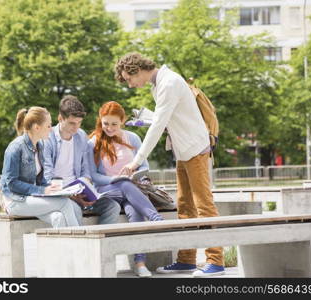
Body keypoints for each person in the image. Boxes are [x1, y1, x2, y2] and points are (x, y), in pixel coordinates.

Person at [114, 52, 225, 277]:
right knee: (184, 205)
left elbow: (158, 127)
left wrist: (136, 161)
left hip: (195, 150)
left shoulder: (169, 83)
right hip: (183, 151)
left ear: (137, 70)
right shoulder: (159, 85)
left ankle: (216, 261)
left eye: (128, 78)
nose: (130, 84)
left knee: (203, 204)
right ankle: (187, 260)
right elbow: (167, 119)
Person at [88, 101, 163, 278]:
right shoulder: (94, 143)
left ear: (122, 120)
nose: (109, 128)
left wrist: (134, 173)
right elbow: (93, 176)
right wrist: (116, 179)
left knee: (135, 212)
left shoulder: (132, 138)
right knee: (123, 184)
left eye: (114, 123)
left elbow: (144, 166)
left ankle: (140, 263)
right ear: (101, 119)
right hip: (107, 190)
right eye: (106, 123)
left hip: (131, 191)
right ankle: (156, 219)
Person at [43, 95, 121, 225]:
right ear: (60, 118)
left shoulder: (81, 136)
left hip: (78, 192)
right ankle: (80, 245)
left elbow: (86, 170)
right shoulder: (48, 138)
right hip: (59, 194)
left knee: (113, 207)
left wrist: (84, 189)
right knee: (75, 210)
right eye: (72, 123)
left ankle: (100, 243)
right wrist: (70, 195)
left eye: (79, 123)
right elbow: (47, 176)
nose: (76, 127)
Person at [0, 107, 79, 228]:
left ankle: (62, 247)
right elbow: (12, 183)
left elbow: (39, 180)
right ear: (37, 127)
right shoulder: (15, 147)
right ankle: (81, 243)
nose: (51, 129)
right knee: (65, 203)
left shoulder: (40, 145)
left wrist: (52, 188)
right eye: (48, 126)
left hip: (30, 198)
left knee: (58, 217)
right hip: (14, 201)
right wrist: (42, 190)